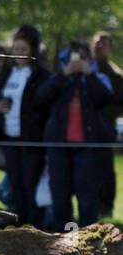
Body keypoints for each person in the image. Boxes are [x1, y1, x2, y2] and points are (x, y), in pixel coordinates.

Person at [38, 40, 116, 230]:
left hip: (88, 148)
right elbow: (42, 98)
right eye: (75, 57)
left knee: (87, 195)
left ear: (90, 59)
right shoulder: (59, 78)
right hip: (59, 147)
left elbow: (106, 99)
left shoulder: (98, 78)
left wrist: (88, 74)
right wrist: (65, 75)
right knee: (60, 195)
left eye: (83, 57)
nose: (78, 61)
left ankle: (87, 237)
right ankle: (63, 237)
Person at [0, 25, 51, 227]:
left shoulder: (42, 76)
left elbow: (44, 107)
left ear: (34, 50)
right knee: (16, 187)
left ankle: (34, 231)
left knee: (30, 187)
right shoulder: (6, 74)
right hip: (9, 139)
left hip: (31, 141)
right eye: (16, 50)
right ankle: (17, 230)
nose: (19, 54)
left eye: (24, 50)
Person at [91, 31, 123, 217]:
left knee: (105, 170)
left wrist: (100, 110)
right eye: (96, 43)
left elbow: (120, 105)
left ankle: (105, 207)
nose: (99, 46)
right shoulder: (81, 66)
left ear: (110, 48)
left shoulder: (116, 75)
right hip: (79, 130)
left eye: (103, 44)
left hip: (103, 128)